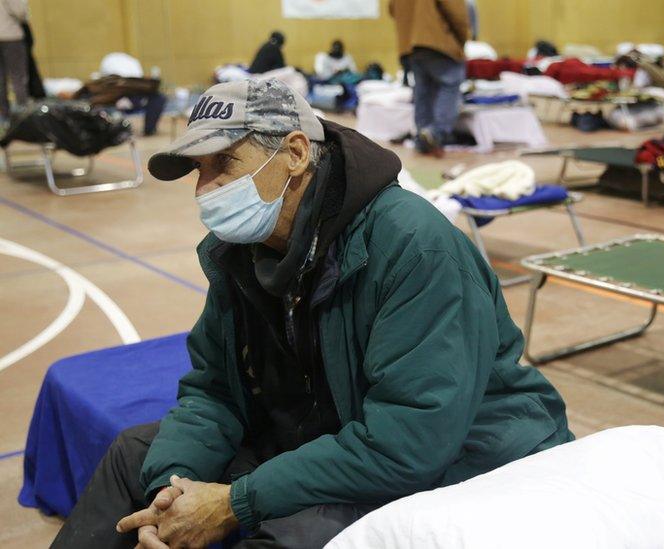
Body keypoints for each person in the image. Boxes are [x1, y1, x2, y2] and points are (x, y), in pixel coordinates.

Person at [51, 78, 572, 549]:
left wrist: (236, 502)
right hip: (331, 428)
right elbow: (213, 391)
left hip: (461, 452)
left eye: (223, 164)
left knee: (299, 535)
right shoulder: (241, 248)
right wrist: (170, 490)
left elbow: (409, 441)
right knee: (135, 456)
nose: (204, 189)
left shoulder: (414, 247)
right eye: (198, 170)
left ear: (296, 153)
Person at [390, 0, 470, 157]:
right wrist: (462, 38)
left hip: (411, 44)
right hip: (438, 39)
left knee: (422, 89)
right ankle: (435, 133)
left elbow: (392, 8)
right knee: (450, 83)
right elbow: (457, 12)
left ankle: (422, 136)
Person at [0, 0, 29, 118]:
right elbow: (20, 11)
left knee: (0, 79)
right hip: (11, 36)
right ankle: (22, 116)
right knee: (18, 77)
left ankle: (3, 115)